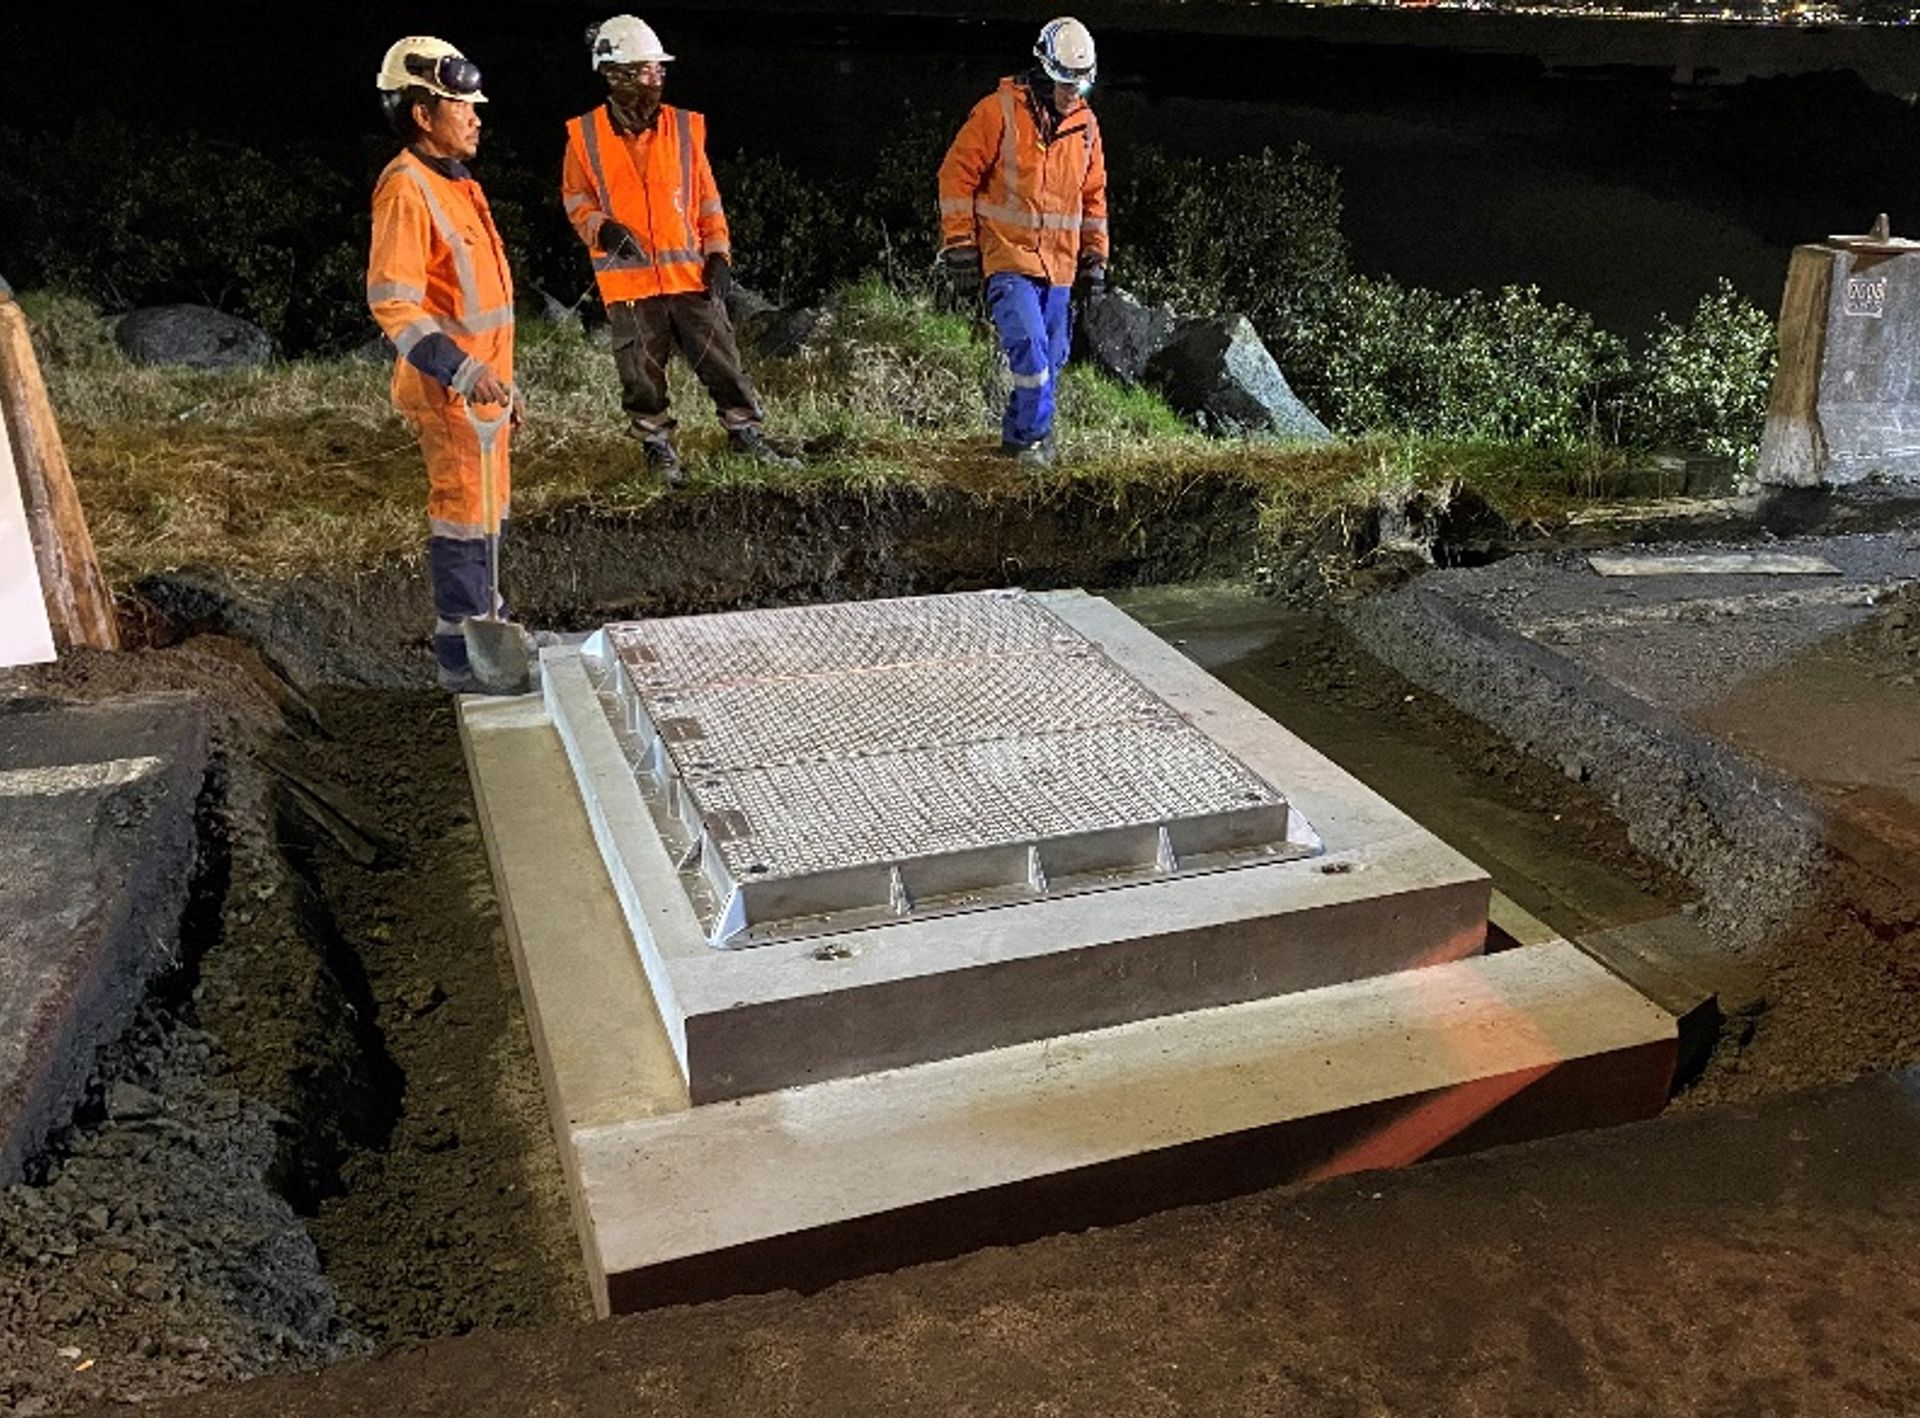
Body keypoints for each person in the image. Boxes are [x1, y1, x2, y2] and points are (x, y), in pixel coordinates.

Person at [562, 15, 795, 483]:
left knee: (722, 361)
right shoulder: (583, 137)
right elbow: (575, 199)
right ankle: (657, 448)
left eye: (658, 71)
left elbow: (708, 199)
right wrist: (602, 230)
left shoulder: (685, 129)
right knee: (641, 376)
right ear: (617, 75)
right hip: (629, 283)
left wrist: (719, 255)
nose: (657, 80)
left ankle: (745, 434)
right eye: (647, 71)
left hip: (690, 277)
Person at [368, 36, 523, 693]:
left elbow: (478, 304)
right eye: (461, 106)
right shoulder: (407, 188)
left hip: (484, 395)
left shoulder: (457, 184)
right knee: (462, 521)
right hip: (450, 394)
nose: (476, 116)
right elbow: (395, 304)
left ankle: (485, 630)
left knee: (485, 517)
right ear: (420, 112)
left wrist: (505, 388)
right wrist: (464, 373)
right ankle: (465, 662)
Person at [938, 16, 1109, 467]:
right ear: (1042, 72)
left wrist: (1095, 258)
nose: (1072, 94)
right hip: (1007, 257)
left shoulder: (1086, 128)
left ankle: (1017, 443)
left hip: (1060, 267)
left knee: (1050, 360)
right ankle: (1035, 443)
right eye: (1063, 83)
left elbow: (1093, 198)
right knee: (1030, 350)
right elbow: (956, 176)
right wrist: (959, 244)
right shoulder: (998, 112)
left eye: (1081, 87)